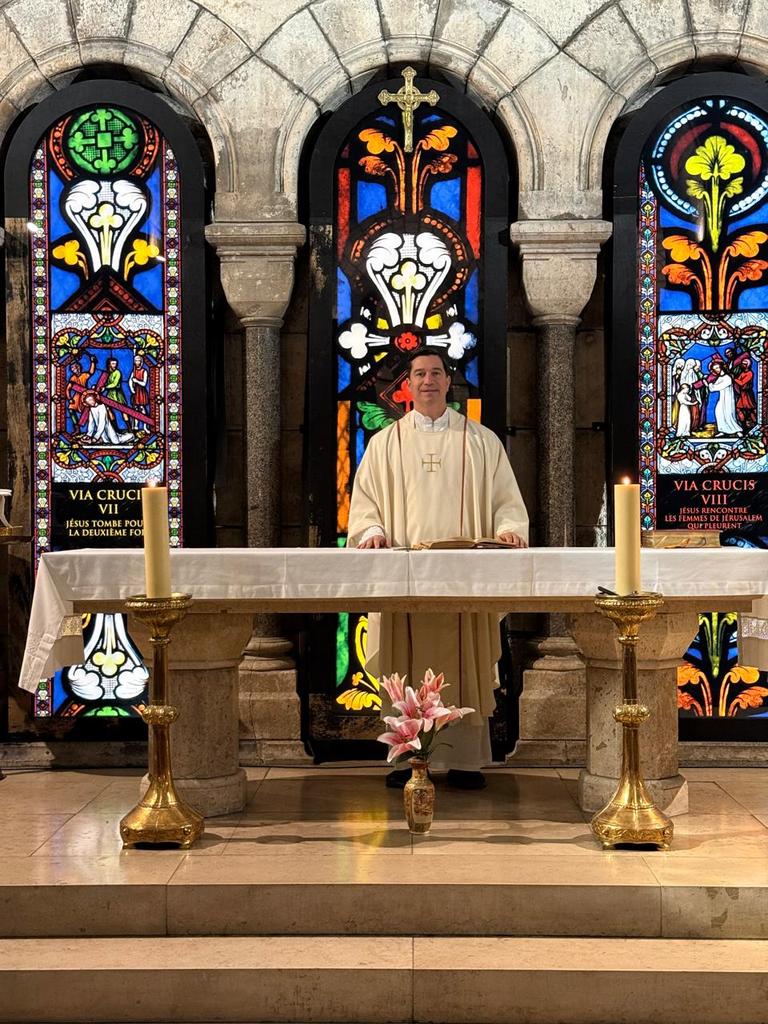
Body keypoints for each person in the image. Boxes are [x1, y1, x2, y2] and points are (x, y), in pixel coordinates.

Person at [347, 348, 529, 789]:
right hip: (405, 576)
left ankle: (466, 761)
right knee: (404, 665)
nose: (428, 381)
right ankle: (407, 759)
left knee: (464, 665)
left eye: (436, 374)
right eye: (419, 374)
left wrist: (507, 529)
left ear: (449, 383)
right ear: (407, 386)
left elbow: (507, 500)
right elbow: (365, 502)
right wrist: (370, 529)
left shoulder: (481, 441)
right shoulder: (385, 444)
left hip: (462, 575)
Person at [707, 357, 741, 435]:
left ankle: (737, 430)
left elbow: (716, 387)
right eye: (714, 368)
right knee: (719, 412)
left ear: (721, 367)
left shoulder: (727, 378)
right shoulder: (719, 378)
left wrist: (709, 384)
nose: (716, 369)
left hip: (728, 399)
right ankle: (722, 430)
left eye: (717, 367)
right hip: (722, 398)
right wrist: (711, 385)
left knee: (728, 414)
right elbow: (713, 388)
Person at [66, 354, 96, 432]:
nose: (73, 369)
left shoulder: (84, 375)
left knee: (89, 412)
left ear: (79, 367)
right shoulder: (73, 378)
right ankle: (77, 428)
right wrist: (69, 398)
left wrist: (93, 362)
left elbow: (91, 372)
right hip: (77, 397)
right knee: (71, 410)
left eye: (75, 367)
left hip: (85, 397)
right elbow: (68, 389)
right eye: (72, 368)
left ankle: (91, 430)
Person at [128, 353, 151, 431]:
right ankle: (136, 426)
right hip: (135, 392)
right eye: (135, 361)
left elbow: (144, 383)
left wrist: (136, 381)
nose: (137, 362)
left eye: (138, 361)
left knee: (142, 409)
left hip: (141, 392)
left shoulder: (144, 371)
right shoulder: (133, 371)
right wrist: (131, 388)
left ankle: (145, 426)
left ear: (141, 362)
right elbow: (130, 381)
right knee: (135, 410)